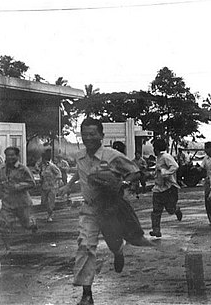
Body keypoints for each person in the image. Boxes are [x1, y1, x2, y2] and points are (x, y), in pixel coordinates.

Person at [59, 118, 141, 305]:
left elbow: (134, 171)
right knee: (85, 246)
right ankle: (87, 294)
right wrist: (68, 186)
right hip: (89, 209)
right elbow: (81, 174)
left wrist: (123, 183)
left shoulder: (112, 156)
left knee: (113, 241)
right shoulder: (80, 157)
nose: (88, 138)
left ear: (101, 136)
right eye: (85, 134)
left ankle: (118, 251)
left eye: (92, 134)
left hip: (110, 208)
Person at [0, 147, 38, 252]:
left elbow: (32, 183)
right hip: (7, 203)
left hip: (22, 203)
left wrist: (19, 186)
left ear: (17, 156)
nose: (10, 157)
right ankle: (8, 248)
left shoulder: (23, 169)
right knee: (3, 225)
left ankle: (33, 224)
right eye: (8, 155)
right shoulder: (0, 169)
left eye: (12, 155)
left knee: (26, 225)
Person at [149, 139, 183, 238]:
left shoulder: (166, 157)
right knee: (156, 210)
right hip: (158, 188)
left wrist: (165, 173)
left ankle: (176, 210)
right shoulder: (158, 158)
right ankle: (156, 230)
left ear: (157, 149)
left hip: (169, 188)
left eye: (154, 148)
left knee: (170, 209)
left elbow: (175, 166)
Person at [38, 150, 62, 222]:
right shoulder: (43, 166)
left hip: (52, 187)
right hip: (44, 186)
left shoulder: (52, 166)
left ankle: (50, 215)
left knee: (50, 201)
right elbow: (41, 174)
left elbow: (59, 174)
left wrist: (55, 180)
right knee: (44, 201)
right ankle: (47, 213)